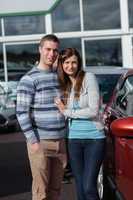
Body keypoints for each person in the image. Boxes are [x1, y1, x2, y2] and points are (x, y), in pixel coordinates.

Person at [16, 34, 67, 200]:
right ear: (40, 50)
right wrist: (34, 142)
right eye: (48, 49)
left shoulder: (59, 77)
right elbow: (21, 112)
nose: (51, 54)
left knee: (55, 191)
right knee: (41, 193)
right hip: (41, 143)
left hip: (60, 143)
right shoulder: (29, 79)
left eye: (55, 50)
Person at [54, 48, 106, 200]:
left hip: (94, 139)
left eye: (74, 62)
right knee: (80, 188)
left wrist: (66, 111)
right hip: (73, 139)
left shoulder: (88, 78)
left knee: (89, 187)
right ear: (62, 64)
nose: (71, 66)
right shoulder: (64, 86)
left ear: (79, 63)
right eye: (67, 62)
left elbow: (93, 110)